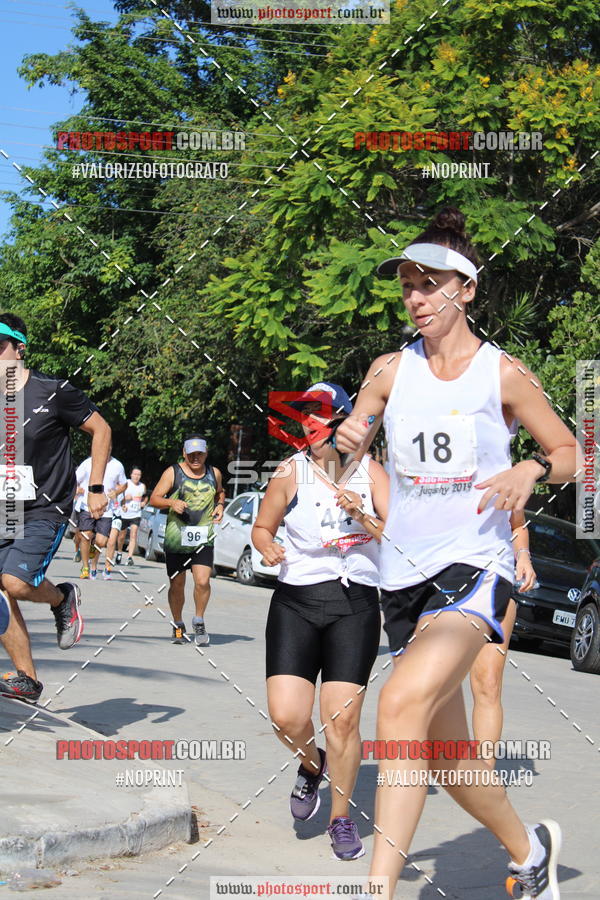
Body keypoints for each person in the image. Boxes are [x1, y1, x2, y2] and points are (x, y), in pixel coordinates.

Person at [335, 208, 579, 899]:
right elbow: (351, 440)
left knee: (400, 704)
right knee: (445, 757)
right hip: (401, 581)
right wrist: (342, 441)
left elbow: (571, 453)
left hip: (476, 569)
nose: (414, 297)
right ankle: (531, 853)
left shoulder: (502, 375)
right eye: (407, 285)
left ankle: (377, 890)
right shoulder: (388, 371)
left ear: (466, 289)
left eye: (428, 283)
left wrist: (530, 471)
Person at [251, 382, 388, 861]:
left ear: (346, 423)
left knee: (343, 720)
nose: (309, 424)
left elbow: (399, 535)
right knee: (287, 715)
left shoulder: (372, 473)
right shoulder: (290, 472)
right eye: (304, 415)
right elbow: (262, 525)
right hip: (297, 602)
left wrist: (365, 517)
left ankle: (341, 817)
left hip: (355, 605)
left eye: (320, 416)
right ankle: (312, 766)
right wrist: (265, 544)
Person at [0, 312, 111, 702]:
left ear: (19, 349)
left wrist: (96, 486)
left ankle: (63, 598)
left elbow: (101, 428)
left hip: (45, 508)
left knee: (14, 582)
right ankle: (26, 679)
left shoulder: (53, 390)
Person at [470, 504, 537, 760]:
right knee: (438, 685)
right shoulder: (432, 470)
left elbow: (517, 524)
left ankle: (484, 776)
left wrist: (523, 555)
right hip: (442, 583)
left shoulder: (503, 472)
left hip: (494, 581)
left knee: (488, 681)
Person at [149, 435, 225, 646]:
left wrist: (220, 506)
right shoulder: (173, 472)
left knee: (203, 581)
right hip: (177, 538)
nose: (195, 458)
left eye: (199, 453)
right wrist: (171, 502)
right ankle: (178, 623)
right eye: (191, 454)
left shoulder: (214, 473)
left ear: (205, 453)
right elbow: (154, 498)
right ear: (184, 453)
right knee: (177, 583)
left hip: (203, 537)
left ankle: (198, 620)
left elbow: (220, 493)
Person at [76, 453, 126, 579]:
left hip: (106, 509)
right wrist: (77, 490)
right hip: (87, 506)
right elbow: (74, 479)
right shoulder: (88, 462)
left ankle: (93, 547)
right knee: (86, 535)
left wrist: (116, 492)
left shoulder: (117, 465)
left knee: (101, 541)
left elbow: (124, 484)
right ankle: (85, 567)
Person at [104, 466, 146, 576]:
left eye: (139, 475)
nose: (137, 476)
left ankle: (130, 557)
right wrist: (123, 503)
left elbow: (145, 497)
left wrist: (143, 503)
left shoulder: (142, 486)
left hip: (136, 514)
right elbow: (117, 496)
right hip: (124, 513)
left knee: (133, 534)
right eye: (135, 474)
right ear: (131, 475)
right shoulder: (126, 484)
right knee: (121, 536)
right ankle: (119, 552)